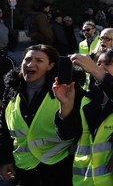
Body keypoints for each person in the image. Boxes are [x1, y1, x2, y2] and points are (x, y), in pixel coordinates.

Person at [53, 47, 113, 185]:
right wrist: (65, 105)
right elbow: (67, 134)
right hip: (85, 180)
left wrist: (96, 70)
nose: (101, 67)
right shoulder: (88, 97)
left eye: (107, 63)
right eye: (98, 64)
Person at [0, 45, 74, 185]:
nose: (30, 64)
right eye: (27, 59)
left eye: (39, 60)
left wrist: (66, 106)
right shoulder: (12, 90)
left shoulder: (65, 90)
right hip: (22, 170)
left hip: (57, 170)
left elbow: (72, 131)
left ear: (50, 66)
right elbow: (4, 129)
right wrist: (4, 161)